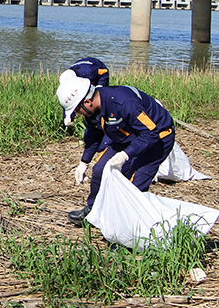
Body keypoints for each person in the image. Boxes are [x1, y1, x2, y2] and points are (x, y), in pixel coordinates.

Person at [56, 76, 175, 226]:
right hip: (127, 135)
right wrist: (84, 162)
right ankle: (94, 211)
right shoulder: (93, 111)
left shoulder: (124, 102)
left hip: (157, 138)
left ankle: (126, 229)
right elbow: (94, 135)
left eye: (77, 110)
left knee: (134, 184)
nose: (78, 114)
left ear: (87, 102)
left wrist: (126, 154)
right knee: (100, 169)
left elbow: (150, 133)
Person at [60, 57, 110, 187]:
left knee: (99, 113)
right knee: (91, 122)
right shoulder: (69, 79)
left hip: (99, 78)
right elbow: (70, 102)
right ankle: (95, 139)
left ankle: (105, 140)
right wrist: (67, 118)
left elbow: (104, 72)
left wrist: (99, 90)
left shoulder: (89, 71)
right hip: (83, 91)